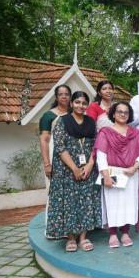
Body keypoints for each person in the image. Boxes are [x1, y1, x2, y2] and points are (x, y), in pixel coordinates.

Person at [46, 91, 101, 252]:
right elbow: (60, 147)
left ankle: (83, 237)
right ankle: (70, 238)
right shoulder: (62, 121)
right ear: (71, 104)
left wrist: (90, 165)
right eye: (77, 102)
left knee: (86, 202)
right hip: (66, 170)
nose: (81, 106)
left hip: (88, 170)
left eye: (84, 103)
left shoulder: (91, 122)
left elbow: (95, 146)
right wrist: (75, 168)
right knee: (68, 204)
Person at [94, 102, 139, 248]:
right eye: (119, 111)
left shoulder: (135, 133)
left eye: (126, 112)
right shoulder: (105, 132)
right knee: (113, 203)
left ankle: (125, 232)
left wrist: (135, 167)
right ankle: (112, 234)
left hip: (131, 174)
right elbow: (101, 155)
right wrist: (105, 175)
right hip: (112, 173)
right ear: (113, 114)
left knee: (128, 203)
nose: (123, 114)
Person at [39, 85, 71, 180]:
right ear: (56, 97)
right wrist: (47, 164)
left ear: (70, 96)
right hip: (55, 155)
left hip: (74, 155)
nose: (64, 96)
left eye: (66, 94)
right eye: (60, 94)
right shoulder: (48, 116)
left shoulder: (76, 114)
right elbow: (44, 140)